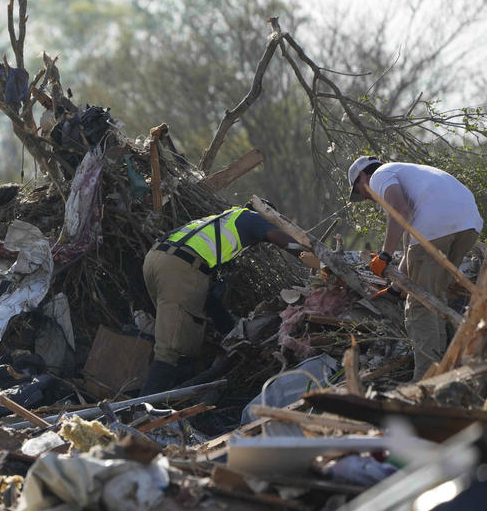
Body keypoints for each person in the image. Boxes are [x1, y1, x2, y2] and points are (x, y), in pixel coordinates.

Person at [141, 203, 317, 393]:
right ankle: (141, 412)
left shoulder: (221, 220)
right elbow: (283, 241)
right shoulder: (252, 217)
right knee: (173, 349)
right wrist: (317, 262)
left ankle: (166, 398)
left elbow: (209, 301)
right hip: (180, 268)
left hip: (156, 259)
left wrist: (228, 329)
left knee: (181, 334)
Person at [350, 156, 483, 379]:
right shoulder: (411, 173)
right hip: (469, 225)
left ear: (363, 176)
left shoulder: (380, 175)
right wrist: (395, 287)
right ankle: (446, 374)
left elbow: (400, 213)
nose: (364, 197)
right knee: (435, 299)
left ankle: (426, 379)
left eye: (358, 190)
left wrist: (384, 256)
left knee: (419, 305)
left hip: (436, 227)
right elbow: (410, 244)